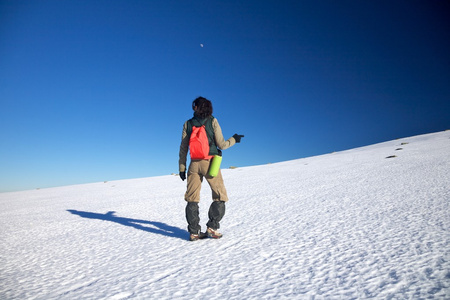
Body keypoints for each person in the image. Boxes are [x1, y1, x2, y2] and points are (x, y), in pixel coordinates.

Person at [179, 97, 244, 241]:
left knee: (192, 198)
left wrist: (182, 168)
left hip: (193, 165)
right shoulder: (213, 121)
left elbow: (183, 148)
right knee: (220, 195)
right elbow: (222, 145)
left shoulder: (188, 124)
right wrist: (234, 139)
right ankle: (212, 228)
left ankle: (194, 232)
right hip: (210, 163)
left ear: (196, 107)